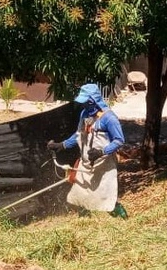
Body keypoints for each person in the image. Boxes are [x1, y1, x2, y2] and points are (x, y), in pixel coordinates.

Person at [47, 83, 127, 218]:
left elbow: (119, 140)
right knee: (79, 196)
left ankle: (123, 219)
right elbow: (79, 134)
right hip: (86, 163)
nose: (83, 106)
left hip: (104, 164)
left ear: (93, 101)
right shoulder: (84, 114)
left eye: (86, 102)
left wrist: (101, 152)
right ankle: (84, 220)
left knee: (106, 199)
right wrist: (62, 145)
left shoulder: (109, 118)